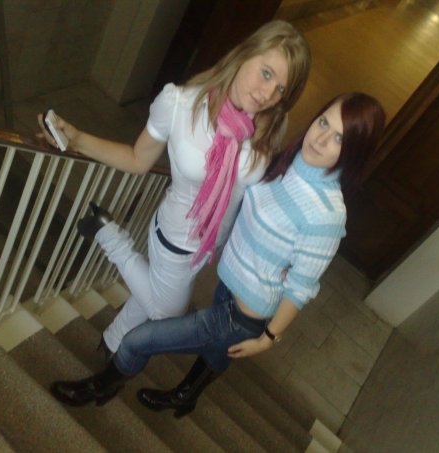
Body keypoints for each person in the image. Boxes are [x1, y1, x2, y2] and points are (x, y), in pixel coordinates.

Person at [49, 92, 387, 416]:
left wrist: (268, 338)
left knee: (139, 340)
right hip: (227, 285)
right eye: (324, 122)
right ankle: (187, 396)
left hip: (244, 316)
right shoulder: (291, 161)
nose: (321, 139)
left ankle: (101, 387)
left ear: (354, 152)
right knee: (217, 350)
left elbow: (301, 287)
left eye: (339, 138)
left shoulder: (327, 216)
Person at [38, 20, 311, 358]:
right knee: (166, 313)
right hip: (174, 241)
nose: (267, 94)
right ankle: (106, 232)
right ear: (245, 54)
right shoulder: (180, 104)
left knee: (150, 297)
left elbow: (252, 194)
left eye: (281, 89)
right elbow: (137, 159)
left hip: (208, 247)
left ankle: (111, 342)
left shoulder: (270, 124)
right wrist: (77, 139)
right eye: (266, 73)